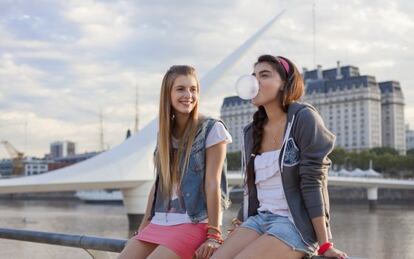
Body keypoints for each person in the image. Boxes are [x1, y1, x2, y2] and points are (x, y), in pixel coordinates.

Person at [212, 55, 347, 259]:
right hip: (259, 220)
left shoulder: (304, 118)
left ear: (284, 83)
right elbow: (252, 187)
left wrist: (325, 244)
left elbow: (313, 183)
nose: (255, 82)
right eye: (253, 76)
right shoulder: (251, 131)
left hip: (294, 224)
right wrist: (240, 223)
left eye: (264, 75)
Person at [118, 65, 232, 259]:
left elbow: (212, 183)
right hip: (160, 221)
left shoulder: (212, 129)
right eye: (180, 89)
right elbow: (159, 185)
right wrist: (144, 226)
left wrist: (214, 234)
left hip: (193, 222)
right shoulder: (164, 134)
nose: (188, 95)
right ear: (168, 94)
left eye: (193, 89)